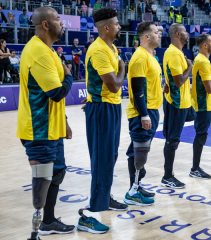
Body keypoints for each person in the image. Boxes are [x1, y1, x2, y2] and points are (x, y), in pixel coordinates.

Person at [17, 7, 75, 239]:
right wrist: (70, 76)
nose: (62, 23)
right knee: (43, 178)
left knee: (58, 171)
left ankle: (49, 221)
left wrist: (65, 121)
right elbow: (57, 93)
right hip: (38, 128)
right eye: (58, 19)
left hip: (53, 127)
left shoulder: (48, 50)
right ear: (46, 25)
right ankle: (37, 228)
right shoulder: (39, 52)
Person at [78, 7, 127, 234]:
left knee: (110, 156)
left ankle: (105, 197)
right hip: (101, 108)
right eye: (116, 24)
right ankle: (88, 214)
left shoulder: (112, 47)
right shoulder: (98, 50)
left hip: (112, 107)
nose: (119, 27)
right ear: (106, 28)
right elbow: (114, 85)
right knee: (101, 159)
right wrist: (123, 70)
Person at [124, 21, 162, 206]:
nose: (159, 34)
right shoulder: (140, 57)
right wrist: (144, 114)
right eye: (156, 32)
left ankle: (136, 186)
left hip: (152, 110)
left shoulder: (150, 56)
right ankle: (132, 192)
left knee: (139, 152)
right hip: (142, 113)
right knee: (139, 153)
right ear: (147, 37)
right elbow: (137, 88)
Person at [162, 24, 193, 189]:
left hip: (184, 103)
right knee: (172, 140)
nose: (187, 34)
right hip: (176, 103)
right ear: (177, 34)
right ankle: (167, 176)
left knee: (174, 137)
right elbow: (179, 81)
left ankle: (168, 175)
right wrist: (190, 67)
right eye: (185, 32)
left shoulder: (178, 52)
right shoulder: (173, 53)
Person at [190, 33, 211, 179]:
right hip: (203, 105)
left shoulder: (201, 60)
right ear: (205, 45)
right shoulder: (203, 62)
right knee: (201, 136)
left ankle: (195, 168)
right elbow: (210, 88)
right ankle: (195, 168)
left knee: (201, 135)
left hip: (204, 105)